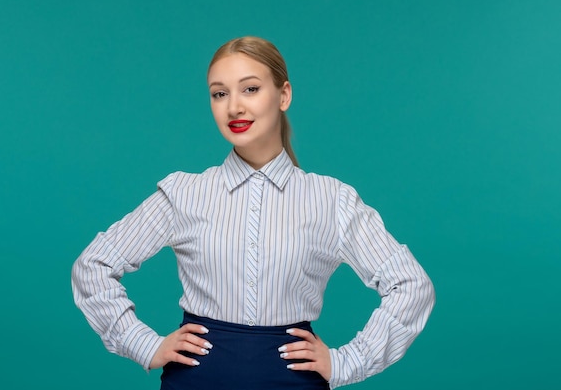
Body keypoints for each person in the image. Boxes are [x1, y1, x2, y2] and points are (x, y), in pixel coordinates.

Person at [71, 36, 435, 389]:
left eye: (250, 89)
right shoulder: (184, 193)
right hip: (196, 380)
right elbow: (94, 266)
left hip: (293, 382)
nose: (234, 107)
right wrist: (143, 344)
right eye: (219, 93)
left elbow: (411, 286)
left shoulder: (332, 200)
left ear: (284, 95)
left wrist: (349, 361)